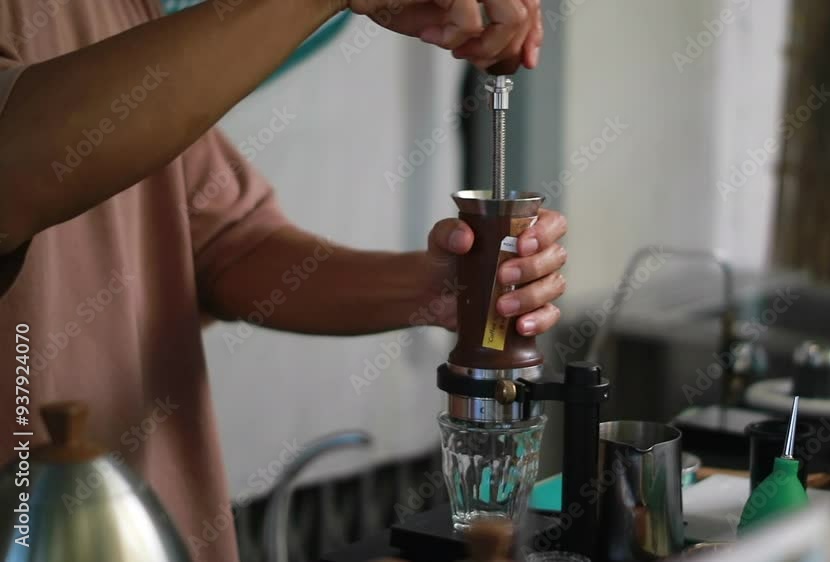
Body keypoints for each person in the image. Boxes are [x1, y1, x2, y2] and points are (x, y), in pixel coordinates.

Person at [0, 1, 564, 560]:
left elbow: (227, 246)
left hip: (159, 530)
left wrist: (437, 291)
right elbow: (16, 163)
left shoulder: (123, 10)